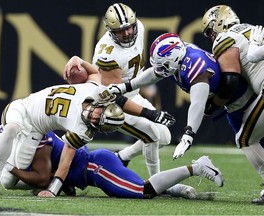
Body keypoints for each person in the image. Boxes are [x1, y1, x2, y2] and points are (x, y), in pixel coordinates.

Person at [0, 56, 174, 197]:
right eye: (100, 114)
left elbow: (65, 161)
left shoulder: (83, 129)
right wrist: (78, 60)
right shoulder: (95, 91)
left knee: (10, 181)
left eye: (98, 123)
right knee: (12, 128)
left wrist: (52, 189)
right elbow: (98, 76)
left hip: (36, 131)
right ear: (101, 105)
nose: (95, 117)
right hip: (22, 107)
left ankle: (6, 172)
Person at [108, 32, 264, 203]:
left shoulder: (195, 66)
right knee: (249, 144)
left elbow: (198, 105)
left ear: (173, 59)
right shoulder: (179, 56)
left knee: (245, 140)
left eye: (163, 66)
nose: (160, 70)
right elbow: (155, 72)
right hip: (234, 107)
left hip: (249, 102)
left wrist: (188, 135)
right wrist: (125, 87)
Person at [64, 3, 174, 179]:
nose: (127, 33)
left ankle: (122, 156)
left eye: (129, 28)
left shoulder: (140, 27)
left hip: (132, 94)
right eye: (120, 31)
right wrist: (148, 114)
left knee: (165, 137)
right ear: (109, 30)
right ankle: (156, 183)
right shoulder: (108, 53)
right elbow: (112, 97)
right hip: (110, 106)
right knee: (152, 135)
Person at [0, 128, 224, 198]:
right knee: (137, 186)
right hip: (94, 164)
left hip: (96, 169)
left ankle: (197, 167)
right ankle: (174, 188)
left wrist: (11, 168)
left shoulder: (36, 143)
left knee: (143, 191)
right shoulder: (33, 136)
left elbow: (44, 177)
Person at [200, 5, 264, 204]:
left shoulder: (224, 38)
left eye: (211, 31)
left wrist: (213, 104)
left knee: (244, 139)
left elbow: (230, 81)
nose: (212, 36)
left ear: (218, 23)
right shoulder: (253, 29)